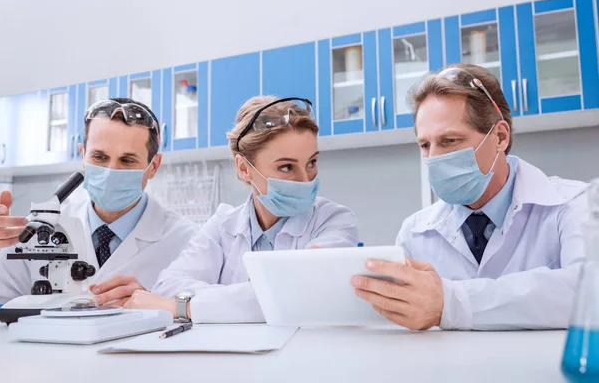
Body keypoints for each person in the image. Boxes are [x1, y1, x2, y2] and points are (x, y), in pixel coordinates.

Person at [351, 64, 588, 331]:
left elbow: (589, 291)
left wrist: (450, 302)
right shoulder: (415, 233)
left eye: (450, 140)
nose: (434, 158)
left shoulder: (574, 205)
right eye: (425, 145)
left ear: (499, 136)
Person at [123, 96, 359, 323]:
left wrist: (183, 306)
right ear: (244, 168)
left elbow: (297, 295)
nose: (305, 179)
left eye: (312, 163)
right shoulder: (222, 225)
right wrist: (250, 299)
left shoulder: (334, 221)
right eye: (286, 167)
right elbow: (167, 285)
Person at [0, 98, 197, 306]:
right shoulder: (36, 231)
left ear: (154, 166)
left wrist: (158, 305)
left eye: (127, 160)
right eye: (100, 157)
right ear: (83, 156)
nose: (111, 170)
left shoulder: (188, 241)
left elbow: (206, 319)